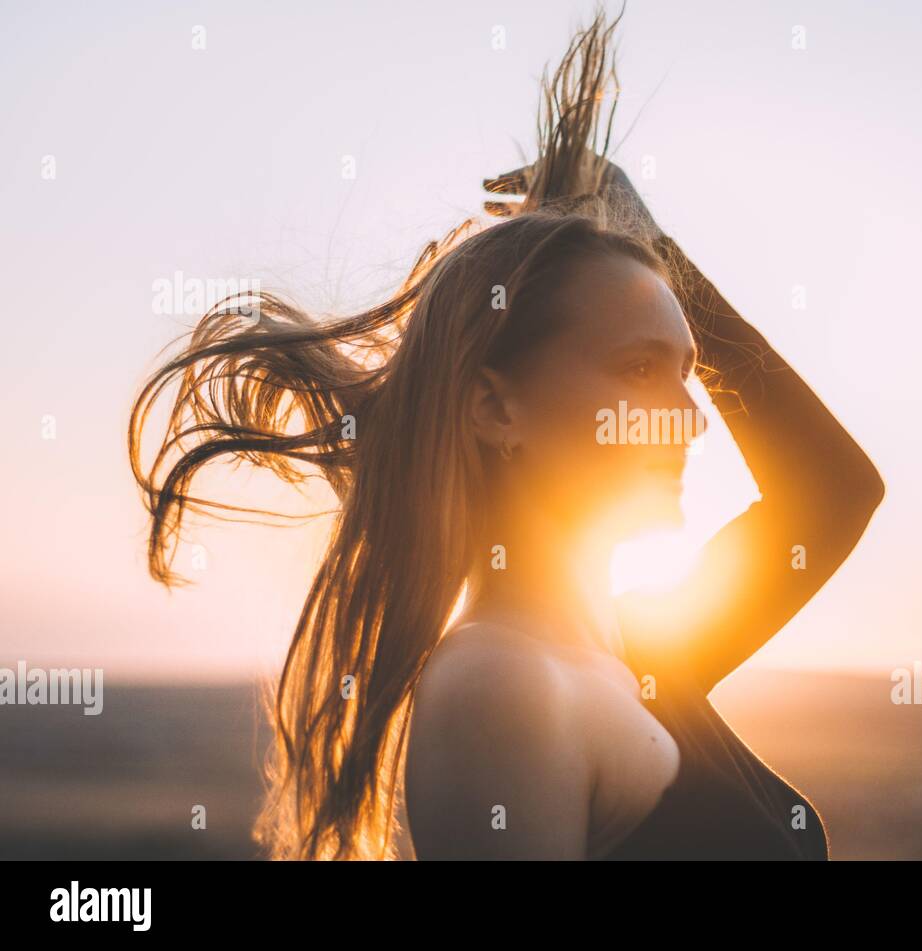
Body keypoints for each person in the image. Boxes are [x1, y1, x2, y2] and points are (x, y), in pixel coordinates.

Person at [127, 6, 883, 860]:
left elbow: (837, 495)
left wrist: (656, 254)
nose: (692, 415)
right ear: (495, 407)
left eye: (689, 369)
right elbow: (836, 497)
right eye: (640, 368)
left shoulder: (633, 649)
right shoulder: (503, 685)